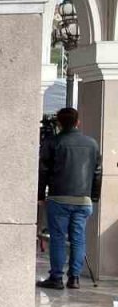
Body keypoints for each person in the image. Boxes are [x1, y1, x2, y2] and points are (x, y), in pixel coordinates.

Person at [38, 106, 102, 290]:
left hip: (59, 197)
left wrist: (40, 195)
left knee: (57, 238)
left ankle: (56, 278)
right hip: (83, 199)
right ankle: (74, 278)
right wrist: (94, 197)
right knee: (78, 238)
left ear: (59, 123)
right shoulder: (92, 143)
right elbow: (97, 172)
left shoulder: (53, 142)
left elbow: (43, 171)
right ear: (78, 122)